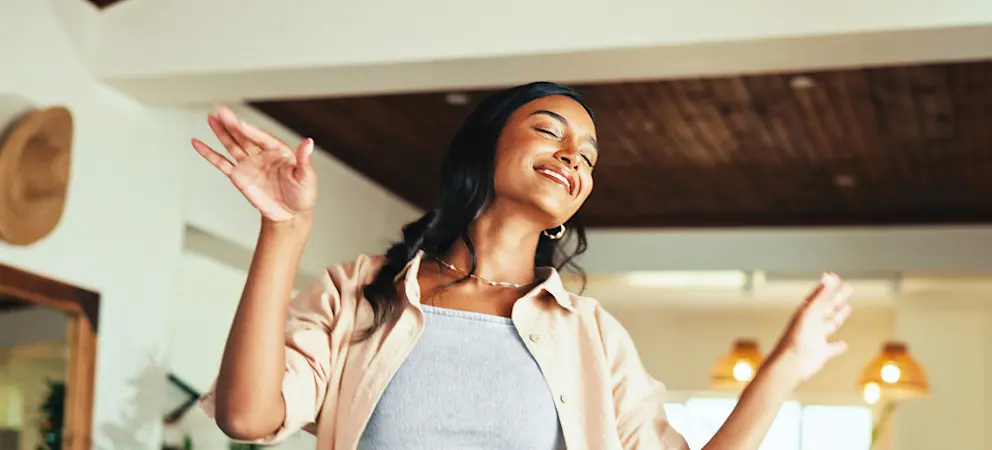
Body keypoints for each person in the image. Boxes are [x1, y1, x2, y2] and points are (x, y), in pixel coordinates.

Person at [192, 82, 853, 450]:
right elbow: (249, 418)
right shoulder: (361, 293)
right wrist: (285, 230)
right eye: (549, 131)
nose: (574, 157)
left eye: (589, 157)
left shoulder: (590, 336)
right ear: (484, 148)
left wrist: (788, 363)